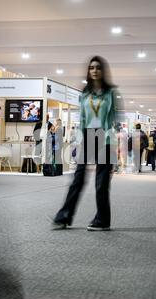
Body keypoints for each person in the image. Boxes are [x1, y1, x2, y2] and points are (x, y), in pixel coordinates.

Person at [52, 56, 122, 231]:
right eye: (91, 67)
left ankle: (103, 220)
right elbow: (82, 119)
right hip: (88, 137)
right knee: (78, 178)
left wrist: (113, 143)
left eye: (98, 67)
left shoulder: (111, 93)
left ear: (102, 70)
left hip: (105, 138)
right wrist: (79, 140)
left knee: (102, 182)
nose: (95, 70)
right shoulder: (85, 94)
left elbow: (114, 119)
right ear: (89, 71)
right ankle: (64, 216)